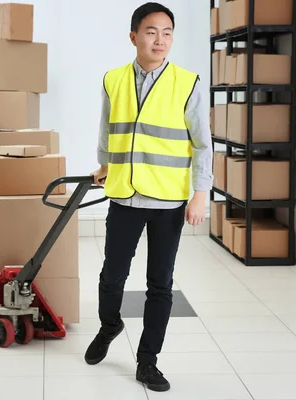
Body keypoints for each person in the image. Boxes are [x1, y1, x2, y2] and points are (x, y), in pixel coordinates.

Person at [84, 2, 213, 392]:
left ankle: (147, 361)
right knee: (112, 276)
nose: (161, 39)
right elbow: (108, 131)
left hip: (168, 202)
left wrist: (200, 193)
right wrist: (104, 166)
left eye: (168, 32)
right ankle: (110, 325)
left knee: (160, 284)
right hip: (124, 195)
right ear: (134, 36)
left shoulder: (188, 83)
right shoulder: (113, 79)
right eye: (152, 31)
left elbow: (202, 144)